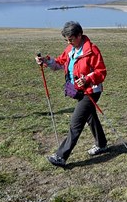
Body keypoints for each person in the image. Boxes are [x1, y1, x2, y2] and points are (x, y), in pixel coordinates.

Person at [35, 21, 108, 167]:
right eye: (67, 40)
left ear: (79, 35)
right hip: (76, 91)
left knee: (76, 122)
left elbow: (101, 72)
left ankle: (61, 156)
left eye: (71, 39)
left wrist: (87, 79)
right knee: (90, 116)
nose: (69, 42)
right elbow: (60, 63)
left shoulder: (91, 50)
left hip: (91, 91)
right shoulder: (70, 49)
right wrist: (46, 61)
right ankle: (101, 144)